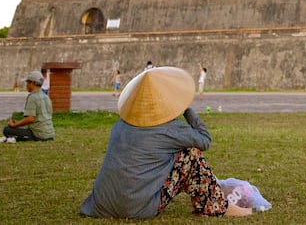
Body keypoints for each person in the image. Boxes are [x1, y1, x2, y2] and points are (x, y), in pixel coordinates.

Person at [80, 67, 251, 218]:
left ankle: (213, 200)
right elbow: (204, 140)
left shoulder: (120, 126)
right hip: (137, 209)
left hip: (100, 205)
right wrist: (186, 109)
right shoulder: (172, 129)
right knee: (190, 154)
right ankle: (217, 206)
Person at [0, 70, 54, 143]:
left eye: (27, 82)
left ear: (32, 83)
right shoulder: (46, 97)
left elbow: (30, 119)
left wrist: (14, 125)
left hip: (38, 135)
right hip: (50, 134)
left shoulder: (32, 97)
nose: (26, 85)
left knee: (7, 130)